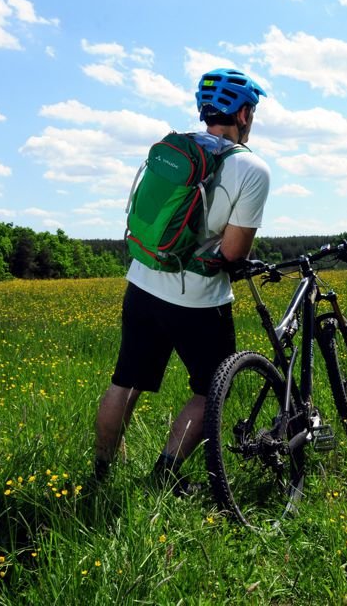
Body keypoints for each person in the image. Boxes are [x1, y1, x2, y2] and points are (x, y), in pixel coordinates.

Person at [92, 68, 270, 495]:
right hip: (198, 302)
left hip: (141, 284)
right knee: (212, 390)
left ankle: (100, 473)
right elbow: (232, 253)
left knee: (126, 381)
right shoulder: (251, 169)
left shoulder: (174, 149)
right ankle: (166, 474)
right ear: (244, 114)